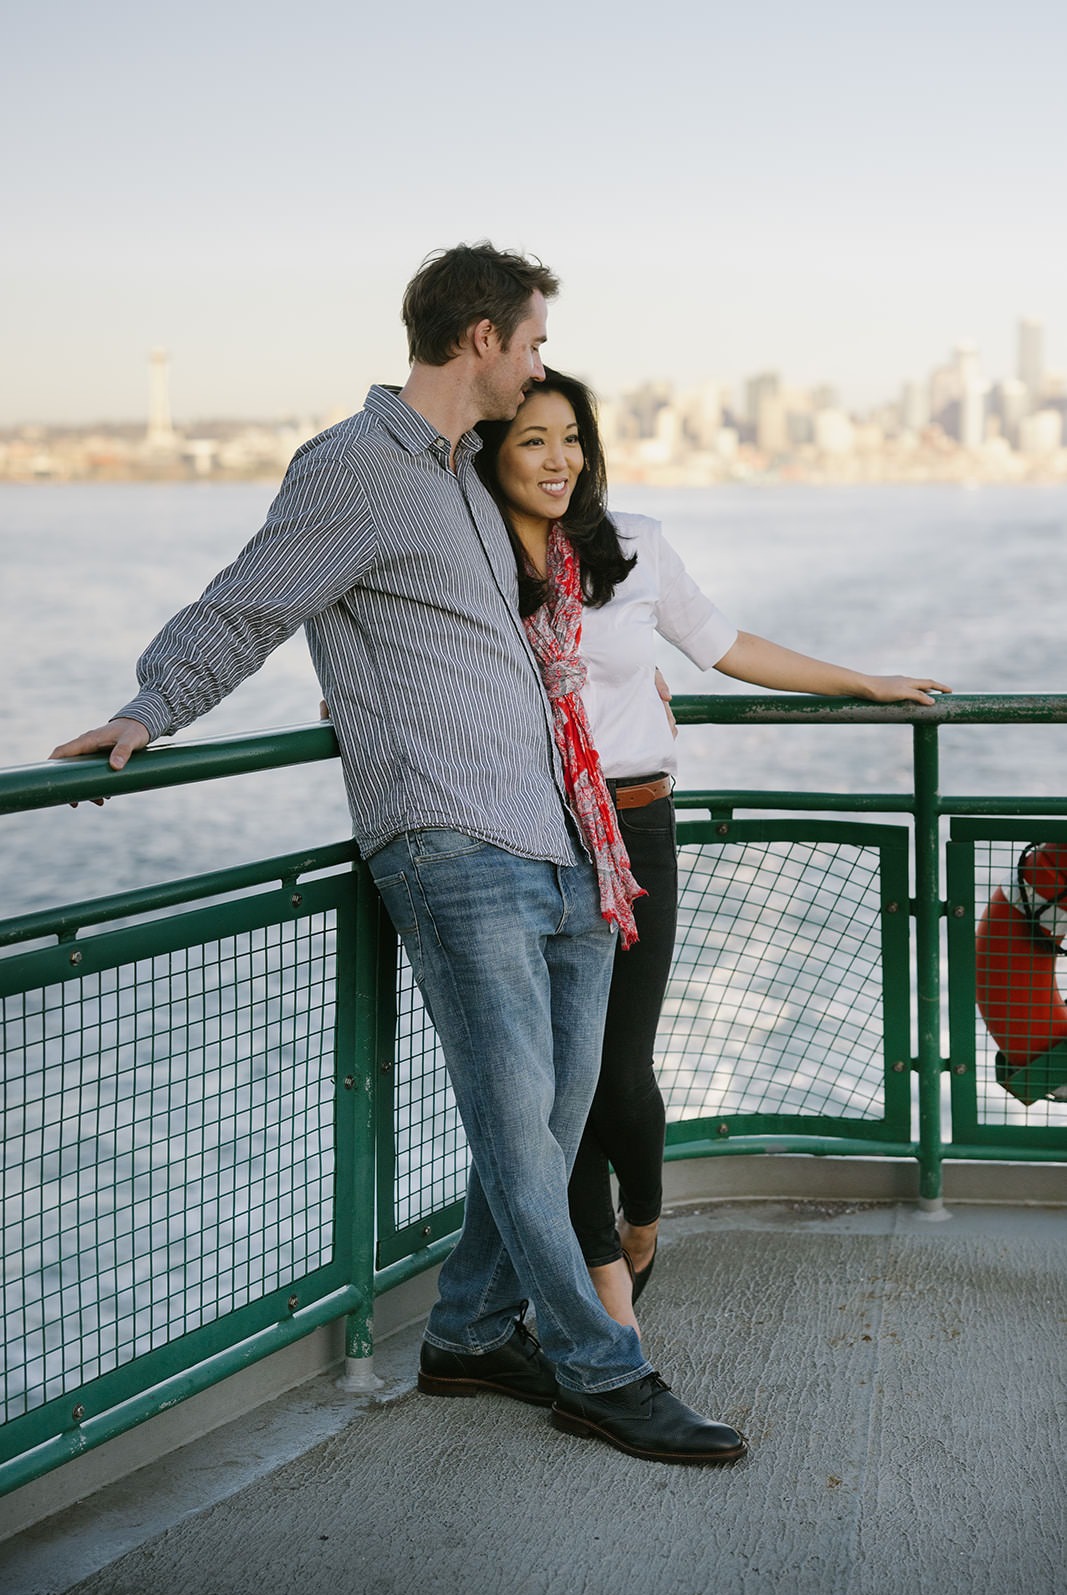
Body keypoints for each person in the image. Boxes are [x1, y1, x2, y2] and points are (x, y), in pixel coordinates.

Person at [49, 245, 747, 1466]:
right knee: (518, 1123)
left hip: (563, 837)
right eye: (530, 344)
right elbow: (248, 601)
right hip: (450, 845)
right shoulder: (352, 469)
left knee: (550, 1113)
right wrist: (152, 703)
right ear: (480, 338)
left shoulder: (471, 483)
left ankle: (471, 1332)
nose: (539, 367)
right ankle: (600, 1365)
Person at [474, 368, 950, 1334]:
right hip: (525, 829)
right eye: (531, 440)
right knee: (550, 1085)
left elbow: (724, 646)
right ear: (491, 452)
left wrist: (859, 684)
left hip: (633, 822)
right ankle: (608, 1283)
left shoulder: (634, 547)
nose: (557, 458)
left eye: (569, 437)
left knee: (615, 1073)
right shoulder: (472, 566)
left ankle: (640, 1224)